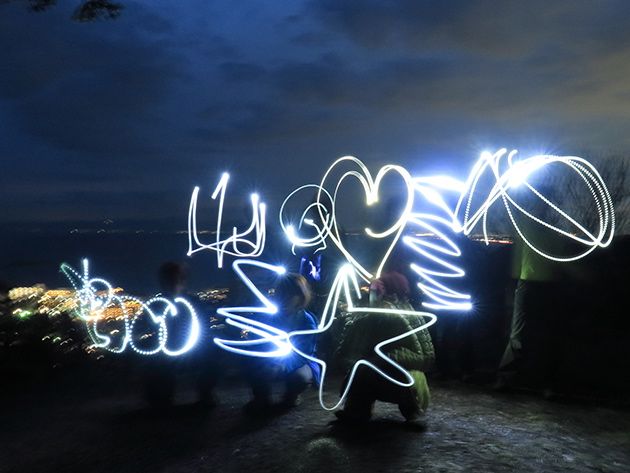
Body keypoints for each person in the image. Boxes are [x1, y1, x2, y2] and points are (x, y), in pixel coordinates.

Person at [335, 271, 435, 422]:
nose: (375, 295)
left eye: (381, 291)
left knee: (403, 377)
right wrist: (356, 360)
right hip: (370, 375)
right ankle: (356, 411)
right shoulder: (363, 320)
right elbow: (343, 354)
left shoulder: (410, 319)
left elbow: (427, 358)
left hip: (400, 377)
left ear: (395, 294)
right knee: (361, 371)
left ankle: (413, 411)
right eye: (373, 291)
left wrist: (387, 358)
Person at [243, 273, 320, 414]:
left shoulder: (307, 320)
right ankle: (261, 398)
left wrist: (282, 365)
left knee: (300, 377)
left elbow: (304, 353)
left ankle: (291, 396)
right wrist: (267, 361)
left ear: (300, 297)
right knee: (251, 363)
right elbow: (256, 344)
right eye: (280, 295)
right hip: (270, 360)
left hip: (298, 363)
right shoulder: (266, 316)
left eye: (289, 296)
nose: (284, 300)